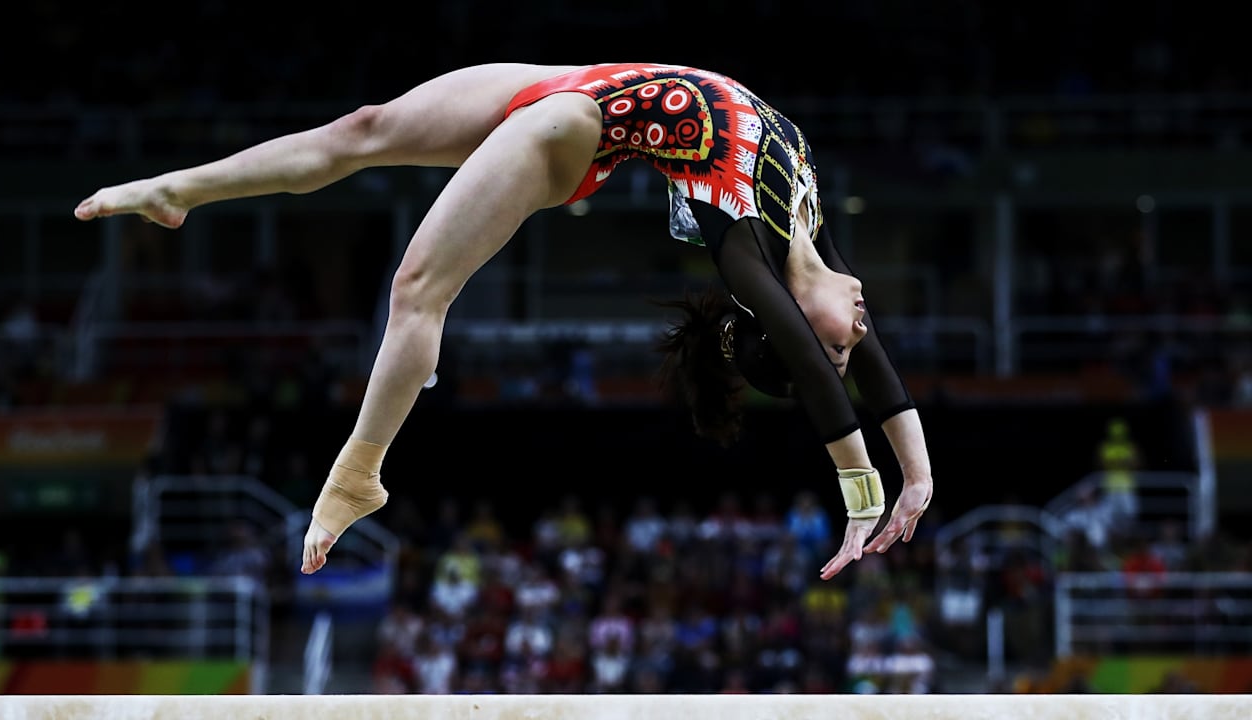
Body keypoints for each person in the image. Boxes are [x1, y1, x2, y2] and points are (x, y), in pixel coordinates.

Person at [73, 62, 934, 581]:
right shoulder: (811, 235)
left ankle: (356, 474)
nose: (863, 328)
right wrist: (917, 477)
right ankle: (178, 191)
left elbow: (814, 361)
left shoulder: (746, 251)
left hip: (569, 133)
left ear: (777, 323)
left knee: (416, 289)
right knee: (360, 130)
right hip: (574, 82)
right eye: (857, 337)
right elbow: (868, 372)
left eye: (842, 342)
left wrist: (860, 495)